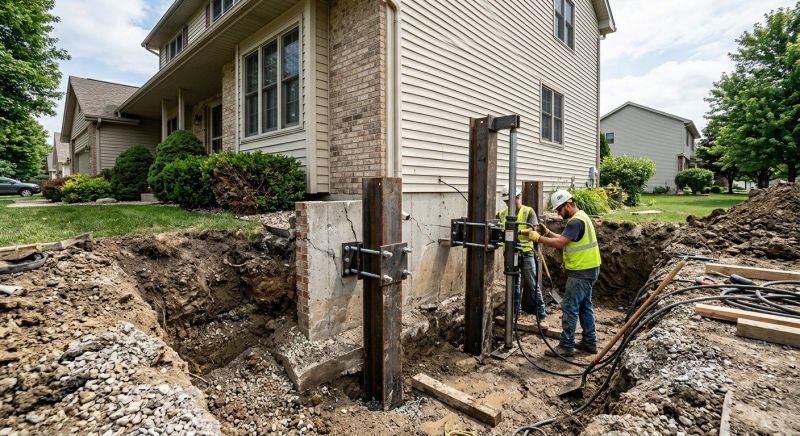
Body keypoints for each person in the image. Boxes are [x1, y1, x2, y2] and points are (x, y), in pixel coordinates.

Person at [526, 189, 601, 357]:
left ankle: (566, 346)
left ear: (568, 204)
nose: (559, 214)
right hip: (590, 269)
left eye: (559, 210)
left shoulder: (575, 222)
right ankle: (590, 342)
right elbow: (567, 239)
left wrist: (537, 238)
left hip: (581, 272)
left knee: (570, 307)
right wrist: (546, 233)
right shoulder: (582, 217)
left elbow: (560, 243)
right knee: (584, 306)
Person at [497, 185, 547, 327]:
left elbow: (533, 229)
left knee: (532, 285)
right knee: (513, 285)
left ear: (518, 197)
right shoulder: (501, 214)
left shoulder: (528, 211)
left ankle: (542, 316)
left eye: (511, 201)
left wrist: (515, 232)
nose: (508, 204)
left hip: (526, 252)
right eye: (506, 202)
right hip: (510, 253)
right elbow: (496, 229)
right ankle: (514, 314)